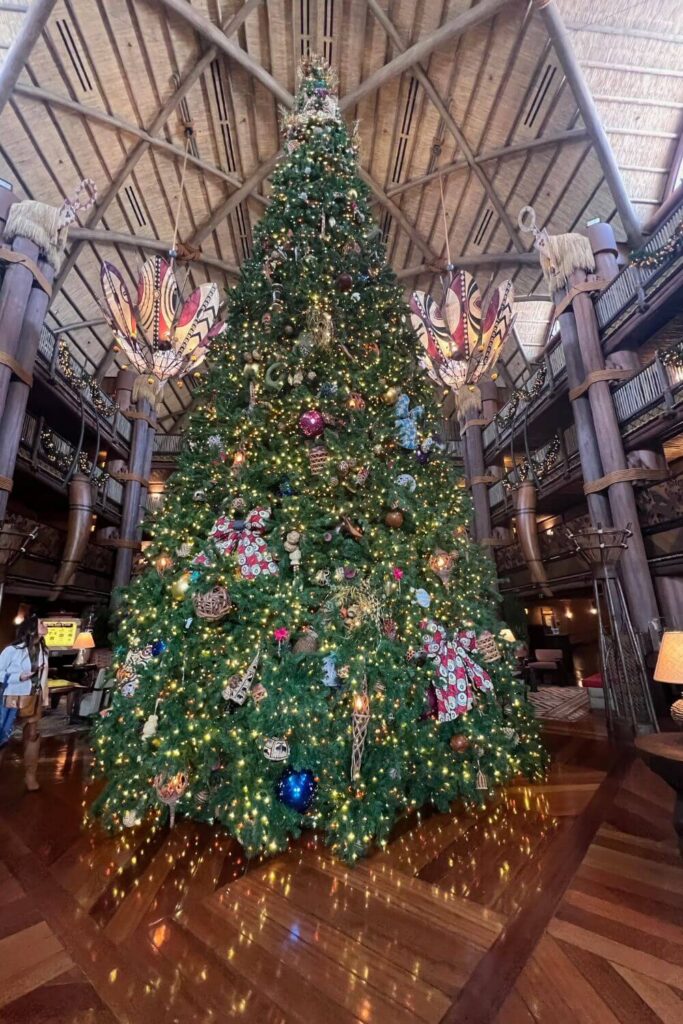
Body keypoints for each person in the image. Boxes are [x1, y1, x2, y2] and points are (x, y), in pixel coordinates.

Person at [0, 615, 49, 789]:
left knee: (32, 735)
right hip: (13, 697)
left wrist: (45, 697)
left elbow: (44, 676)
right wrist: (17, 676)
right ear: (31, 627)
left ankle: (30, 777)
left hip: (34, 697)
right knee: (3, 736)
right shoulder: (12, 650)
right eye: (41, 623)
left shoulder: (43, 650)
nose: (45, 625)